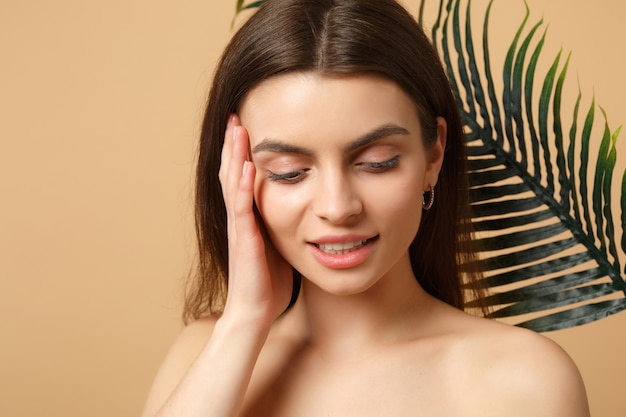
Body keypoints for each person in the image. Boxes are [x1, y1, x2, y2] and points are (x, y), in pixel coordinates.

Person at [141, 0, 590, 416]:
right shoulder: (204, 355)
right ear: (237, 174)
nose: (337, 208)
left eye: (377, 163)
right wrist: (243, 324)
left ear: (433, 157)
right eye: (289, 171)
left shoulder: (525, 380)